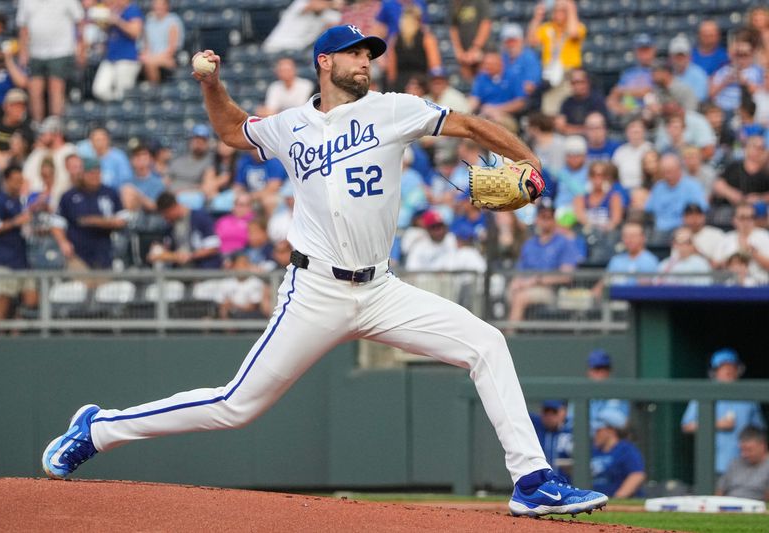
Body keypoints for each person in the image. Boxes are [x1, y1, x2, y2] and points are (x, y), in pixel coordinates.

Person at [41, 24, 608, 517]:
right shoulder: (290, 125)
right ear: (326, 62)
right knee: (236, 406)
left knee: (486, 342)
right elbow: (232, 131)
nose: (366, 61)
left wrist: (527, 160)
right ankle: (98, 428)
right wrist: (211, 85)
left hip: (382, 289)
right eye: (355, 53)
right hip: (314, 289)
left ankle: (532, 480)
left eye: (370, 54)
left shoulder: (393, 108)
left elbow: (468, 125)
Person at [682, 349, 767, 476]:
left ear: (738, 370)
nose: (728, 371)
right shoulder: (703, 394)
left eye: (731, 366)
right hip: (714, 464)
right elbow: (686, 426)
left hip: (745, 464)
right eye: (723, 367)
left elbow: (759, 430)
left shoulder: (749, 397)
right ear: (714, 372)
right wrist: (717, 424)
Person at [507, 199, 579, 323]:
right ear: (537, 219)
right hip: (526, 285)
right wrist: (517, 282)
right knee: (510, 291)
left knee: (520, 298)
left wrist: (537, 280)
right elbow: (520, 270)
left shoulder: (563, 242)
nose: (546, 220)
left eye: (549, 217)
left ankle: (510, 336)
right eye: (543, 216)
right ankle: (522, 332)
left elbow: (567, 276)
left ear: (554, 220)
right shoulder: (529, 244)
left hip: (551, 290)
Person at [0, 165, 38, 320]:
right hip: (3, 260)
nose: (18, 184)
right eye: (15, 181)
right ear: (6, 181)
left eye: (20, 180)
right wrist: (14, 222)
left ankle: (16, 336)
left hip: (22, 260)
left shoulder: (22, 202)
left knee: (31, 300)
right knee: (3, 299)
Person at [53, 158, 127, 269]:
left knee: (106, 285)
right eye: (91, 173)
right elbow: (57, 223)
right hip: (77, 254)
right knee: (78, 285)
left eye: (97, 172)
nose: (95, 176)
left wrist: (93, 221)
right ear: (82, 174)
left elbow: (122, 221)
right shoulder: (69, 196)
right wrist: (63, 243)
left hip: (105, 252)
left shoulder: (110, 193)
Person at [15, 0, 84, 122]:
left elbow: (79, 21)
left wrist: (81, 46)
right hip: (35, 51)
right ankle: (37, 124)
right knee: (34, 90)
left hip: (61, 50)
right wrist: (23, 51)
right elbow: (23, 27)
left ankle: (55, 124)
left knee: (56, 88)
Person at [527, 0, 586, 116]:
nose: (558, 13)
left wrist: (570, 7)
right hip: (550, 76)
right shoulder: (547, 28)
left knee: (568, 110)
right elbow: (531, 41)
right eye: (556, 10)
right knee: (549, 111)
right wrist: (537, 17)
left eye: (562, 10)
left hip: (569, 75)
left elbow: (573, 33)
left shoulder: (578, 26)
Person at [149, 191, 222, 269]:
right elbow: (162, 248)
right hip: (179, 272)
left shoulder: (200, 217)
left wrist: (190, 256)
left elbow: (213, 247)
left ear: (173, 208)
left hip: (203, 270)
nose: (166, 219)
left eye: (166, 215)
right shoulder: (169, 226)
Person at [644, 153, 708, 240]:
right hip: (659, 229)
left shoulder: (693, 186)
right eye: (664, 172)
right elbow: (648, 209)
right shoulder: (658, 187)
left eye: (670, 171)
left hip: (684, 229)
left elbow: (701, 209)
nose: (667, 175)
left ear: (679, 169)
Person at [91, 0, 144, 102]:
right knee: (99, 89)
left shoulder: (132, 9)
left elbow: (135, 32)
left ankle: (120, 112)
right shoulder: (114, 10)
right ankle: (115, 107)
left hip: (127, 58)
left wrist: (117, 21)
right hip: (110, 57)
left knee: (124, 94)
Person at [590, 408, 646, 498]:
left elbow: (637, 475)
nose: (594, 434)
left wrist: (617, 497)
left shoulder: (626, 449)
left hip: (614, 502)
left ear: (611, 431)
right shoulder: (593, 450)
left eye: (598, 430)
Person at [22, 116, 77, 207]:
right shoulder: (37, 153)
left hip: (61, 200)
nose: (41, 136)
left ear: (57, 134)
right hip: (33, 200)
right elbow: (25, 180)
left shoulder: (70, 151)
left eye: (44, 133)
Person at [385, 5, 441, 93]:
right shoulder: (427, 38)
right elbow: (435, 66)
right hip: (420, 87)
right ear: (419, 21)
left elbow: (391, 73)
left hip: (402, 87)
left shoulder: (394, 39)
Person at [711, 202, 769, 284]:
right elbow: (714, 266)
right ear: (734, 220)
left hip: (759, 285)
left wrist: (753, 252)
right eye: (742, 217)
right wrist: (731, 263)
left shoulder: (764, 236)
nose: (746, 221)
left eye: (750, 217)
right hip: (730, 285)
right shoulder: (726, 238)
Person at [262, 0, 342, 54]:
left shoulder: (330, 15)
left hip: (297, 51)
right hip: (275, 47)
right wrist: (333, 3)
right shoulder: (300, 3)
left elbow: (335, 26)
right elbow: (315, 5)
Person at [709, 35, 763, 115]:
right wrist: (725, 82)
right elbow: (711, 93)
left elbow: (761, 94)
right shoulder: (723, 70)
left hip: (745, 111)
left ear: (751, 55)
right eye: (738, 55)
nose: (741, 58)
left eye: (745, 54)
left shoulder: (757, 71)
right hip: (722, 110)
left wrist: (743, 82)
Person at [606, 33, 656, 119]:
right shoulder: (628, 73)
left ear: (653, 51)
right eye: (641, 50)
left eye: (646, 50)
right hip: (628, 112)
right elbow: (614, 93)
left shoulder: (658, 70)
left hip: (648, 114)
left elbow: (647, 91)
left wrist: (623, 91)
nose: (644, 54)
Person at [468, 52, 526, 124]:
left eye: (491, 64)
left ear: (500, 64)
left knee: (497, 122)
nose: (487, 67)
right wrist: (466, 110)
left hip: (506, 115)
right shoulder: (481, 77)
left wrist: (497, 109)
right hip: (485, 114)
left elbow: (520, 102)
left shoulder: (513, 77)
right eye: (486, 64)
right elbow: (474, 99)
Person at [716, 426, 769, 501]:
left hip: (754, 507)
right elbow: (719, 491)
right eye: (742, 450)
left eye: (749, 450)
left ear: (762, 446)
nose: (744, 454)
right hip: (728, 505)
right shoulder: (735, 463)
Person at [139, 0, 184, 85]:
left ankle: (154, 92)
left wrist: (153, 58)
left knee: (149, 63)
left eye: (160, 4)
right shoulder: (149, 21)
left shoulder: (173, 21)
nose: (158, 7)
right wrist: (146, 55)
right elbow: (146, 46)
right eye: (156, 4)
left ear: (167, 6)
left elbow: (172, 49)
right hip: (150, 57)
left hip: (169, 58)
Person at [556, 68, 608, 136]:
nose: (577, 86)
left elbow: (599, 128)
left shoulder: (597, 101)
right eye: (574, 83)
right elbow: (561, 127)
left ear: (588, 82)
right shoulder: (567, 103)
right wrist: (584, 129)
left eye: (580, 82)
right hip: (570, 139)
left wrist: (571, 129)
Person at [448, 0, 491, 81]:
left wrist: (475, 48)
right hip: (463, 53)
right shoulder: (455, 3)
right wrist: (459, 50)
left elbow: (486, 24)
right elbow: (453, 28)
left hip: (481, 51)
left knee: (482, 77)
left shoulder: (481, 2)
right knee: (465, 80)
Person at [530, 400, 573, 479]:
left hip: (567, 485)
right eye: (546, 412)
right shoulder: (537, 425)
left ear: (563, 412)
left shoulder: (571, 430)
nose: (549, 416)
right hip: (542, 485)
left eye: (554, 412)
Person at [501, 23, 541, 99]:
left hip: (521, 101)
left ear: (521, 41)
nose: (511, 44)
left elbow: (529, 88)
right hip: (504, 99)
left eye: (513, 41)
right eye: (508, 41)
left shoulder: (529, 57)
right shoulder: (503, 57)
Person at [612, 118, 653, 192]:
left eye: (638, 130)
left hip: (644, 189)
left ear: (644, 131)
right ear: (626, 132)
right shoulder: (620, 152)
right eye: (632, 130)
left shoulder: (650, 149)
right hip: (622, 190)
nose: (635, 132)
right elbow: (613, 175)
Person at [668, 35, 708, 104]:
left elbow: (700, 98)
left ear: (689, 57)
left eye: (682, 56)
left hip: (693, 110)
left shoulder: (699, 74)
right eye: (677, 56)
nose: (679, 60)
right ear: (671, 58)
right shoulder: (667, 73)